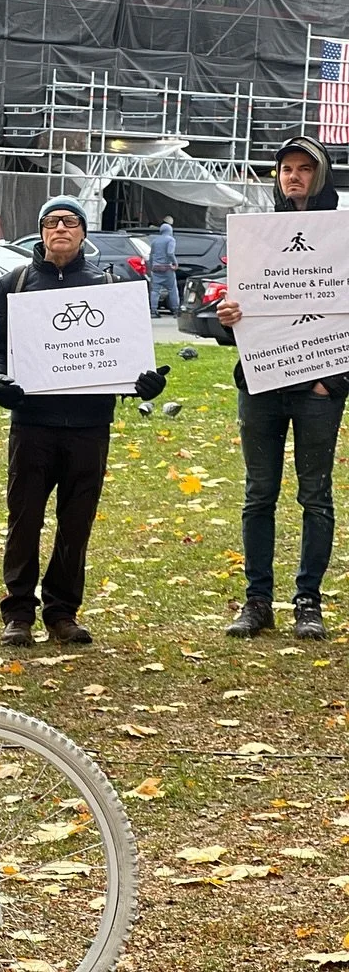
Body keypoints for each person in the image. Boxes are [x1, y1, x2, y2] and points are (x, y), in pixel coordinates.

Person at [0, 194, 168, 647]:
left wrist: (144, 383)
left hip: (88, 424)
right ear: (41, 232)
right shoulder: (17, 282)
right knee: (23, 518)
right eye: (51, 221)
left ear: (83, 232)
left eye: (70, 221)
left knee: (76, 521)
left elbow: (129, 354)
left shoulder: (108, 283)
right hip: (34, 423)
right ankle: (19, 612)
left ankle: (62, 611)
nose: (60, 228)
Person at [217, 135, 345, 641]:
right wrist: (229, 319)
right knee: (258, 493)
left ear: (322, 175)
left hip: (318, 387)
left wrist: (332, 378)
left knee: (315, 495)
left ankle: (308, 601)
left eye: (304, 168)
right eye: (286, 168)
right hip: (261, 382)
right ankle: (257, 600)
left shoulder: (343, 235)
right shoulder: (258, 237)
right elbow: (247, 311)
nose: (293, 176)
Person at [147, 221, 179, 316]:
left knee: (155, 290)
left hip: (156, 268)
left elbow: (151, 255)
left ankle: (153, 310)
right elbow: (170, 253)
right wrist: (175, 263)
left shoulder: (155, 241)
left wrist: (150, 266)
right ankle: (175, 309)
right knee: (172, 289)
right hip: (167, 268)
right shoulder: (171, 240)